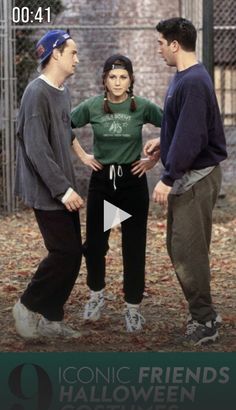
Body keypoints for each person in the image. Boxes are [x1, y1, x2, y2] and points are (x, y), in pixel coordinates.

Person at [144, 17, 227, 345]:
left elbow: (194, 136)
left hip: (195, 178)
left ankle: (205, 322)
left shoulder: (192, 81)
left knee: (187, 251)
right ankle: (204, 312)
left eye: (161, 43)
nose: (159, 49)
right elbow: (185, 125)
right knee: (182, 247)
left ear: (175, 44)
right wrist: (163, 143)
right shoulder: (186, 76)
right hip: (190, 176)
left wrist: (167, 177)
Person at [71, 54, 163, 332]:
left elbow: (173, 126)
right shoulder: (93, 106)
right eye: (113, 77)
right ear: (104, 80)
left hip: (132, 183)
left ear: (131, 79)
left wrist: (154, 159)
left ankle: (133, 308)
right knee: (95, 247)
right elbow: (63, 124)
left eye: (123, 77)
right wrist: (83, 156)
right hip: (102, 183)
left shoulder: (142, 107)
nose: (118, 82)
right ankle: (96, 294)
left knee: (133, 248)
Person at [13, 29, 84, 339]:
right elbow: (36, 148)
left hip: (63, 186)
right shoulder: (36, 93)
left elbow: (64, 133)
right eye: (72, 52)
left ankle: (52, 320)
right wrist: (62, 189)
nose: (77, 59)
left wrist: (81, 155)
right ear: (55, 54)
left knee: (74, 254)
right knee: (63, 252)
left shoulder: (61, 90)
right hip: (48, 191)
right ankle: (28, 305)